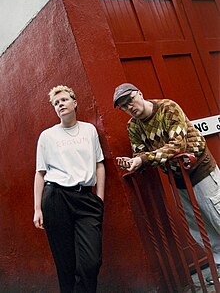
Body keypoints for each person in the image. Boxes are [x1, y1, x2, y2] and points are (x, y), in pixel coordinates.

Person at [113, 82, 220, 284]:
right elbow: (139, 152)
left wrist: (144, 159)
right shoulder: (133, 126)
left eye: (131, 100)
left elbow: (178, 145)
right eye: (124, 106)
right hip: (177, 179)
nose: (130, 107)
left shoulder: (167, 108)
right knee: (199, 225)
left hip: (201, 170)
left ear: (140, 93)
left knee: (217, 214)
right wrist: (134, 162)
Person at [33, 85, 105, 293]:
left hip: (86, 199)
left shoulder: (89, 130)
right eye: (56, 103)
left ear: (75, 103)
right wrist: (37, 208)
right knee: (65, 264)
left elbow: (99, 164)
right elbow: (40, 173)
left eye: (63, 100)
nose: (60, 105)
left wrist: (99, 199)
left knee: (91, 261)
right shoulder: (47, 136)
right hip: (56, 198)